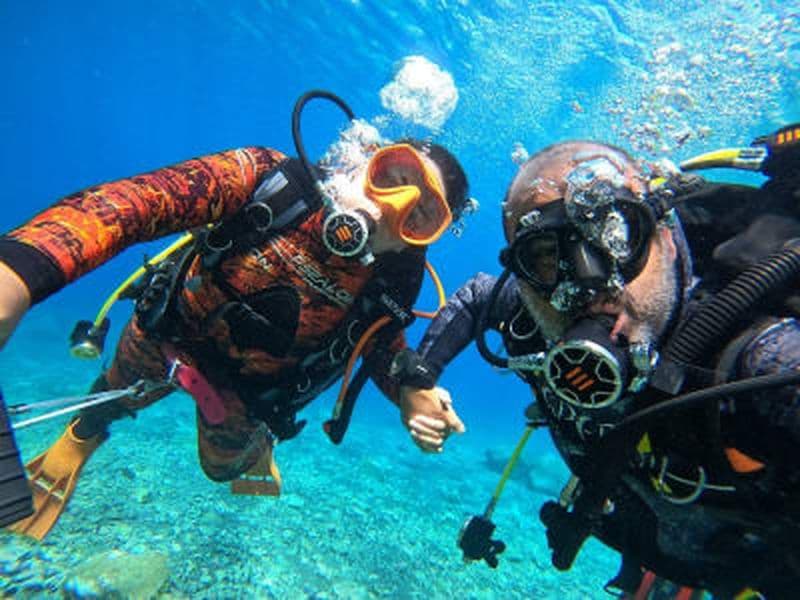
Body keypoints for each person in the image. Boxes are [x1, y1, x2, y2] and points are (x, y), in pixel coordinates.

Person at [0, 90, 468, 539]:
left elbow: (381, 342)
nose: (391, 208)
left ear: (425, 237)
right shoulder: (270, 180)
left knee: (220, 469)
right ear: (367, 157)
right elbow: (139, 202)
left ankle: (258, 446)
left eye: (421, 215)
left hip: (252, 393)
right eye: (393, 177)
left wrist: (410, 388)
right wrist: (19, 271)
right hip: (168, 332)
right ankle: (81, 435)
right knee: (114, 393)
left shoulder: (394, 277)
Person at [398, 125, 800, 598]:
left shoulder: (763, 364)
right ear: (524, 276)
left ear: (667, 239)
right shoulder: (529, 304)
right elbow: (477, 296)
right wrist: (416, 380)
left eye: (617, 237)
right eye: (546, 256)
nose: (588, 286)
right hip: (654, 539)